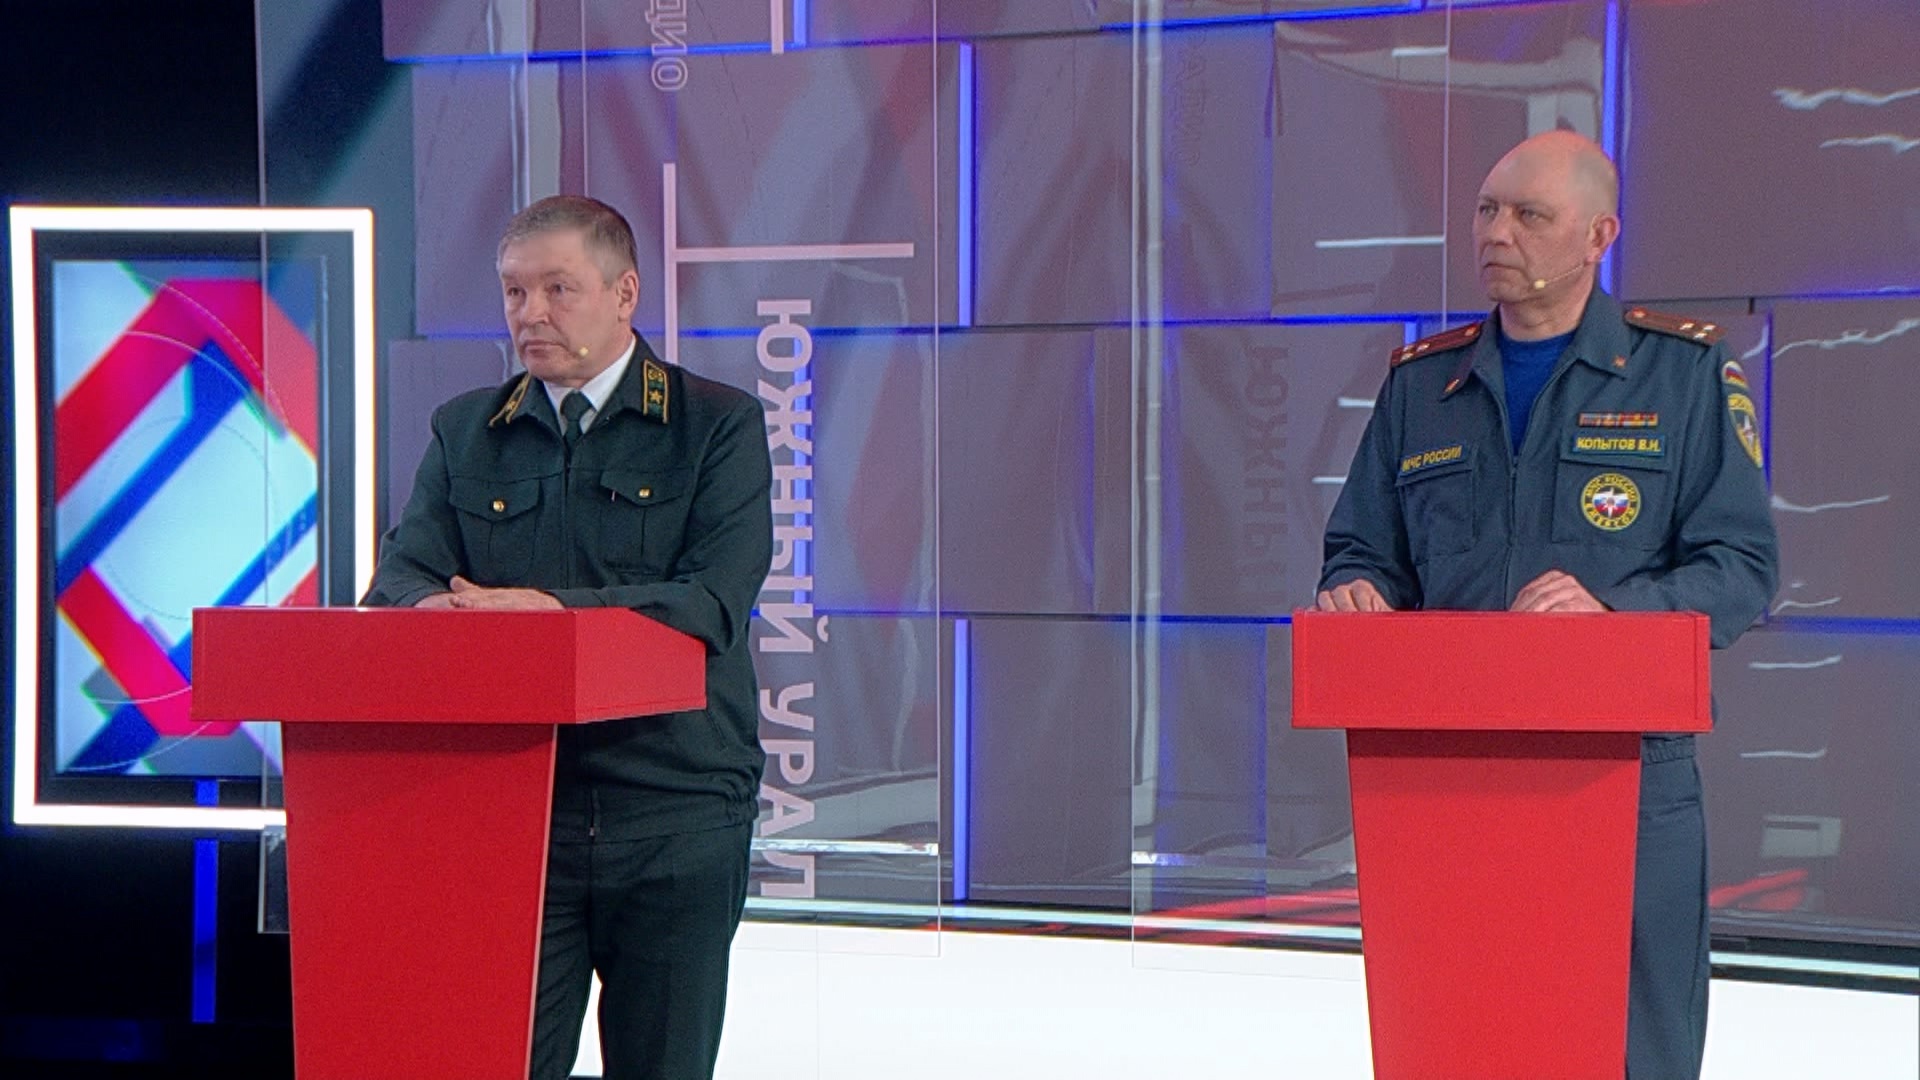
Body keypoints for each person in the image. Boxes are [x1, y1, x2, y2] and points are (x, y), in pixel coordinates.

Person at [1316, 131, 1778, 1079]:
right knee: (1460, 1027)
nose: (1497, 232)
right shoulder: (1422, 385)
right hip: (1448, 777)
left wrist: (1613, 612)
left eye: (1530, 215)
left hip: (1626, 773)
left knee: (1631, 1042)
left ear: (1599, 235)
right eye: (1488, 209)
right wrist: (1359, 590)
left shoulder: (1682, 375)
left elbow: (1740, 568)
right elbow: (1364, 548)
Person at [362, 195, 773, 1080]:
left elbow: (712, 600)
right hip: (515, 817)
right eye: (514, 292)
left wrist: (548, 615)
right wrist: (441, 616)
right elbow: (397, 581)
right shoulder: (465, 430)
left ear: (625, 294)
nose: (531, 314)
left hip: (674, 811)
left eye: (558, 289)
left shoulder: (716, 425)